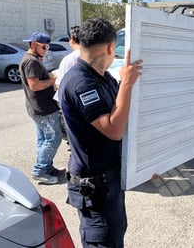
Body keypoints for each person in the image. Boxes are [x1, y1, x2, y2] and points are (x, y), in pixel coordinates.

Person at [58, 18, 143, 247]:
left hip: (109, 182)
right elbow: (114, 130)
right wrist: (126, 84)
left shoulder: (103, 78)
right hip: (94, 189)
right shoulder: (81, 83)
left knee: (116, 235)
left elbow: (124, 114)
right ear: (109, 48)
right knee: (103, 239)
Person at [20, 32, 63, 185]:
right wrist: (53, 80)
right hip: (43, 108)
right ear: (33, 45)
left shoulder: (32, 60)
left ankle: (47, 167)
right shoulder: (31, 62)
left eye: (47, 47)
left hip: (37, 107)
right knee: (54, 138)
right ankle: (39, 170)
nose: (46, 50)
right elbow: (35, 85)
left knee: (43, 140)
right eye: (44, 47)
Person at [53, 25, 80, 101]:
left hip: (73, 101)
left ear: (71, 39)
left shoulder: (69, 60)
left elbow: (60, 84)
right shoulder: (94, 56)